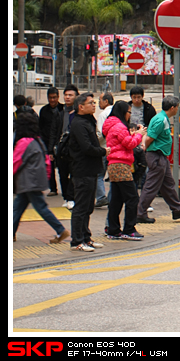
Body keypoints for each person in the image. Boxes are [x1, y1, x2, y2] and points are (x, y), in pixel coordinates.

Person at [12, 110, 70, 245]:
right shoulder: (37, 141)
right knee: (18, 207)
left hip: (28, 181)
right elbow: (46, 162)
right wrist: (47, 177)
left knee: (41, 208)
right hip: (35, 181)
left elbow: (16, 161)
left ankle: (61, 230)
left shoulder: (23, 142)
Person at [137, 95, 180, 223]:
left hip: (162, 156)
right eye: (177, 107)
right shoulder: (160, 120)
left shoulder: (164, 118)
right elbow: (150, 138)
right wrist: (147, 149)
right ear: (172, 108)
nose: (178, 110)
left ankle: (177, 209)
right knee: (151, 186)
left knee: (168, 184)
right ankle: (140, 213)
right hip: (157, 155)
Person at [67, 93, 107, 252]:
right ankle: (77, 241)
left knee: (88, 206)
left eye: (94, 102)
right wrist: (103, 151)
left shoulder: (89, 121)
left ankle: (86, 238)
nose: (94, 105)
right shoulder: (78, 123)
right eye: (90, 103)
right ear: (80, 107)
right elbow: (87, 147)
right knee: (81, 207)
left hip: (91, 170)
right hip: (82, 170)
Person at [103, 101, 147, 240]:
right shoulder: (119, 127)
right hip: (121, 165)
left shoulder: (112, 125)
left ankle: (113, 229)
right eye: (129, 112)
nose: (130, 115)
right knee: (132, 198)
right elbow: (130, 144)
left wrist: (133, 134)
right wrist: (139, 134)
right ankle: (129, 229)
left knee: (116, 199)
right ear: (123, 112)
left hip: (114, 165)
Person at [49, 84, 79, 210]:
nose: (67, 97)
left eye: (70, 95)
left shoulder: (79, 113)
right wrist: (51, 149)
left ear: (76, 97)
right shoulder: (60, 113)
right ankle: (66, 197)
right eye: (66, 95)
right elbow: (54, 132)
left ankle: (72, 197)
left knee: (74, 174)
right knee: (62, 174)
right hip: (62, 149)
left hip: (75, 149)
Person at [38, 87, 63, 196]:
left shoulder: (63, 109)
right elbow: (40, 127)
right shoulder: (44, 110)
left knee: (62, 168)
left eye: (54, 97)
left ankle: (66, 190)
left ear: (58, 97)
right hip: (47, 142)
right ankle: (53, 188)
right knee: (50, 166)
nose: (52, 100)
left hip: (61, 142)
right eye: (50, 98)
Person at [94, 92, 114, 208]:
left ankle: (101, 197)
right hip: (114, 149)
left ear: (106, 101)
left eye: (100, 100)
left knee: (99, 174)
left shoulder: (103, 115)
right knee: (112, 176)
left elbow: (101, 133)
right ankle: (111, 198)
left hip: (104, 148)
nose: (98, 103)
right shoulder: (117, 112)